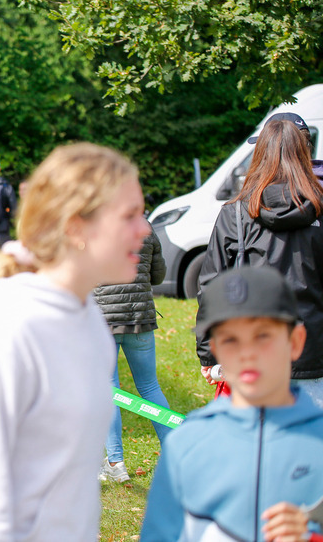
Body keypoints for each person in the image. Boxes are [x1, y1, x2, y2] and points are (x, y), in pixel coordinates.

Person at [0, 142, 151, 540]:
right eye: (129, 216)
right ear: (75, 226)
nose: (145, 229)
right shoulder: (10, 324)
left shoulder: (88, 319)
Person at [141, 265, 323, 542]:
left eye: (263, 336)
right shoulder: (187, 443)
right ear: (215, 351)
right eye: (230, 340)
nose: (247, 353)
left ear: (296, 341)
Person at [196, 118, 323, 408]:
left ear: (260, 153)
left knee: (258, 450)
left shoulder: (236, 213)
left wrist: (208, 354)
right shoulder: (238, 213)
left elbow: (211, 288)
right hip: (310, 352)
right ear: (304, 153)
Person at [93, 224, 172, 483]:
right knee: (150, 387)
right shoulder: (145, 227)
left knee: (108, 389)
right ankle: (176, 452)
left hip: (104, 321)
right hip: (140, 319)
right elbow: (158, 275)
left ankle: (116, 463)